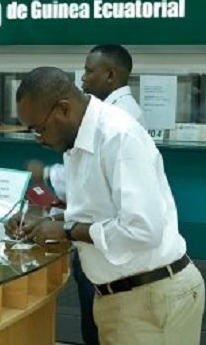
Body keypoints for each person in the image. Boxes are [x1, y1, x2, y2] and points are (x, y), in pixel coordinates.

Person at [7, 67, 205, 344]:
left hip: (151, 299)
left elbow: (143, 229)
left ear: (64, 109)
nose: (38, 139)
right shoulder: (76, 141)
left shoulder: (118, 136)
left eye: (39, 129)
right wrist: (45, 221)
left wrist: (66, 230)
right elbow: (97, 211)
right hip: (122, 298)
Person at [25, 44, 144, 345]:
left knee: (97, 330)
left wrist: (42, 184)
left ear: (110, 75)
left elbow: (92, 200)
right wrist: (48, 216)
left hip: (112, 261)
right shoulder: (104, 119)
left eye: (90, 71)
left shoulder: (115, 123)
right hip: (98, 248)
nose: (83, 78)